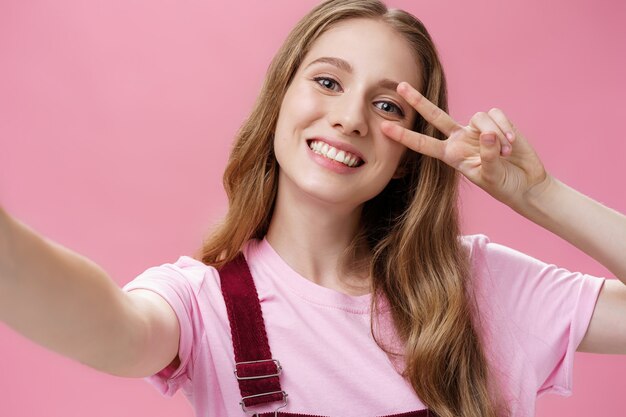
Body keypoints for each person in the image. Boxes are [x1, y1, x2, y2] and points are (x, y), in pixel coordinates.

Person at [1, 0, 625, 416]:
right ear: (280, 101)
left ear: (410, 154)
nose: (349, 117)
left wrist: (541, 197)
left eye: (388, 107)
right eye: (327, 81)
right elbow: (108, 324)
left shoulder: (477, 286)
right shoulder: (202, 304)